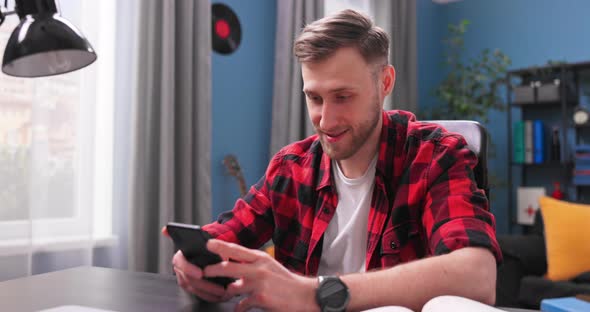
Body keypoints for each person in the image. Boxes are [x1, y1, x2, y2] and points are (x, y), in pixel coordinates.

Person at [164, 9, 501, 312]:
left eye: (342, 97)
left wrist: (317, 293)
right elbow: (224, 239)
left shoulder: (435, 155)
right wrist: (193, 263)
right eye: (315, 98)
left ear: (384, 82)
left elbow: (477, 275)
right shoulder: (290, 168)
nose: (325, 121)